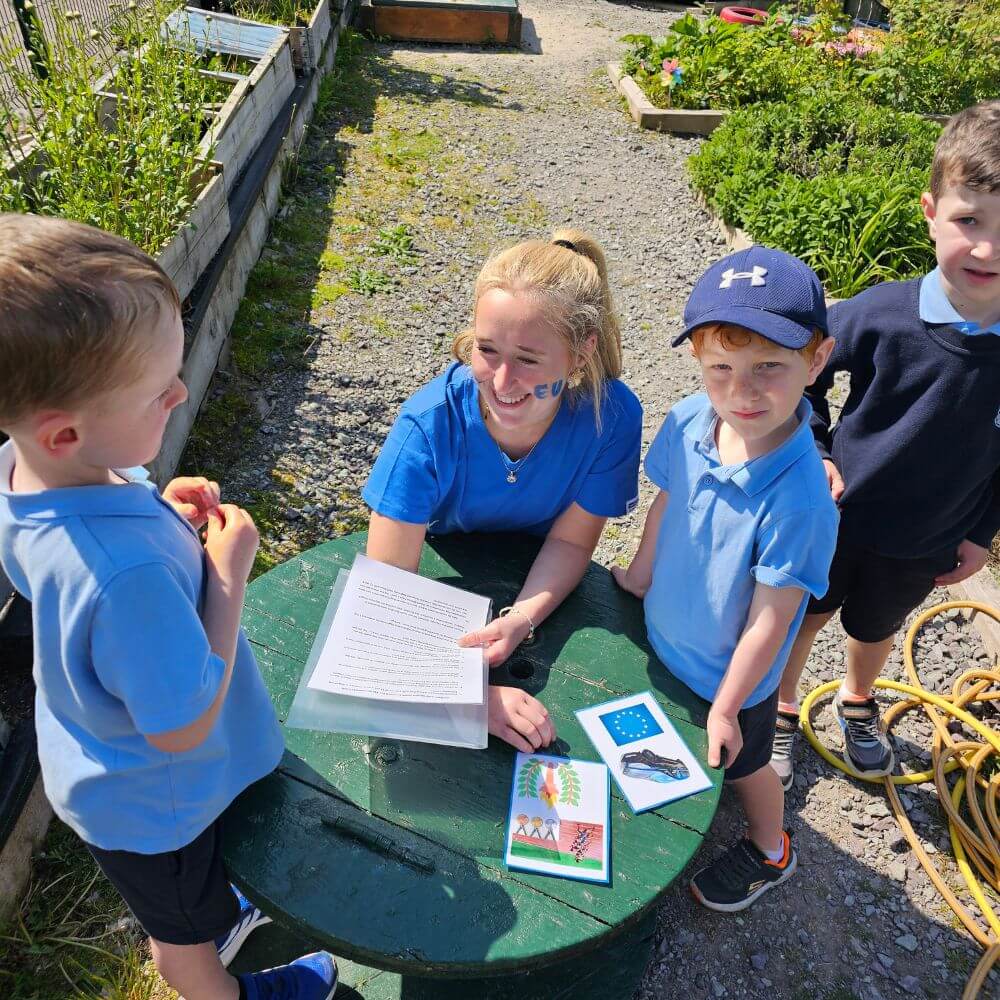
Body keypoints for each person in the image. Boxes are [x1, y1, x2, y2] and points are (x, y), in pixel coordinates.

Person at [0, 215, 337, 1000]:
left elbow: (89, 532)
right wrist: (227, 571)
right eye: (159, 390)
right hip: (162, 802)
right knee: (182, 946)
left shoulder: (24, 470)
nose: (181, 392)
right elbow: (182, 723)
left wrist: (156, 509)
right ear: (67, 430)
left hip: (103, 767)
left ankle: (218, 913)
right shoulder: (126, 579)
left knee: (187, 905)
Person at [770, 99, 1000, 789]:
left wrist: (981, 532)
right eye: (970, 221)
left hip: (928, 536)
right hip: (836, 512)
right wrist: (814, 448)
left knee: (875, 628)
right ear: (931, 212)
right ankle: (780, 708)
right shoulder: (881, 313)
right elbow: (804, 369)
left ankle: (857, 699)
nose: (988, 249)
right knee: (803, 614)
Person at [613, 247, 838, 911]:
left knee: (748, 768)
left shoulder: (802, 500)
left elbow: (772, 617)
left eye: (770, 367)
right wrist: (638, 575)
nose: (742, 391)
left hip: (732, 680)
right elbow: (666, 502)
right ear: (698, 364)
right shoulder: (687, 421)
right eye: (721, 368)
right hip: (664, 633)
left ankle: (771, 847)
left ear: (817, 360)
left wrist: (727, 705)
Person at [363, 229, 643, 753]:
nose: (502, 381)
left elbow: (571, 543)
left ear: (581, 354)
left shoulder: (613, 417)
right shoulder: (426, 425)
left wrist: (520, 618)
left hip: (539, 569)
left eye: (529, 359)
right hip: (439, 565)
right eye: (486, 350)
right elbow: (388, 598)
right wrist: (471, 700)